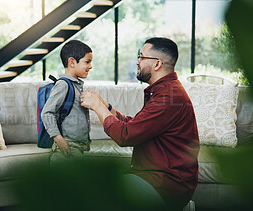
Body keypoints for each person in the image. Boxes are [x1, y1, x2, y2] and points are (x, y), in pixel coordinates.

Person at [80, 37, 199, 210]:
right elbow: (136, 125)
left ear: (157, 64)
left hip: (164, 185)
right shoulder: (164, 90)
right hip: (151, 177)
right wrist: (107, 107)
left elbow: (125, 136)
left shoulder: (169, 96)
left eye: (141, 57)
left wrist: (97, 106)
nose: (137, 62)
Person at [41, 40, 93, 164]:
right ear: (71, 62)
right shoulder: (63, 85)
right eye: (87, 62)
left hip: (78, 147)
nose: (90, 66)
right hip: (68, 146)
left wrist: (86, 141)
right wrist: (58, 139)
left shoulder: (76, 86)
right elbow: (47, 113)